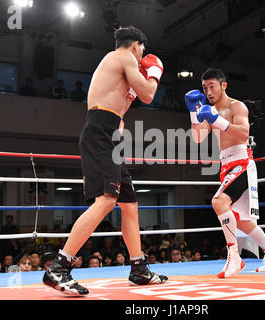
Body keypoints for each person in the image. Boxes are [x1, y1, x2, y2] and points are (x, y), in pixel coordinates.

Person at [43, 26, 167, 296]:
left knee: (130, 204)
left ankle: (139, 268)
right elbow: (149, 94)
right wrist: (155, 73)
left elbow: (126, 103)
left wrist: (135, 90)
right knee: (107, 200)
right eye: (143, 49)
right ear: (136, 44)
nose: (143, 54)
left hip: (109, 133)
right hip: (101, 132)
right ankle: (59, 266)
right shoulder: (124, 57)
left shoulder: (117, 64)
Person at [185, 68, 265, 278]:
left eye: (212, 86)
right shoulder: (207, 109)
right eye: (205, 88)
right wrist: (194, 112)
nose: (208, 91)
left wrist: (218, 120)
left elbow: (243, 133)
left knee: (218, 202)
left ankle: (234, 257)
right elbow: (198, 138)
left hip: (242, 161)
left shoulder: (236, 106)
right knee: (241, 221)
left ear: (223, 85)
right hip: (226, 165)